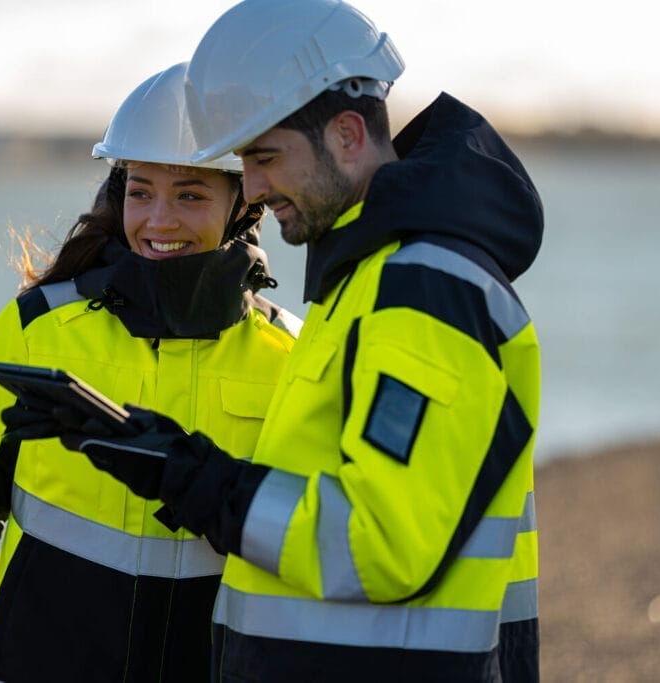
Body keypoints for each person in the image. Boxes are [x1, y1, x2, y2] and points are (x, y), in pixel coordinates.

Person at [33, 1, 545, 681]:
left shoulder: (424, 289)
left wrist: (190, 479)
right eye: (246, 161)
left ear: (347, 134)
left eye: (267, 156)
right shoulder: (368, 279)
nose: (252, 188)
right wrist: (177, 455)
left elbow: (379, 544)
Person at [0, 62, 300, 683]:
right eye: (141, 191)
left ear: (244, 204)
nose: (158, 221)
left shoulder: (293, 356)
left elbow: (312, 544)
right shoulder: (39, 329)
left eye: (190, 194)